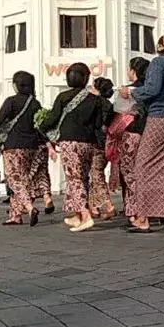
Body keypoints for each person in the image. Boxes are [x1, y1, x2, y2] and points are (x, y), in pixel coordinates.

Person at [120, 35, 164, 235]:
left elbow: (152, 89)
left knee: (144, 164)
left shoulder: (158, 64)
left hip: (159, 118)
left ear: (158, 48)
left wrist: (131, 92)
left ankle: (143, 217)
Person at [40, 64, 109, 232]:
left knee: (74, 178)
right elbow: (98, 124)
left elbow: (53, 119)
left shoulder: (63, 97)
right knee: (82, 178)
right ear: (86, 78)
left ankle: (85, 215)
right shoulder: (95, 99)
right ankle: (77, 216)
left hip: (70, 141)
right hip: (89, 143)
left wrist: (41, 127)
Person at [0, 71, 42, 226]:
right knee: (23, 180)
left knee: (13, 179)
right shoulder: (35, 103)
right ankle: (15, 215)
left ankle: (29, 208)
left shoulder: (11, 101)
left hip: (13, 146)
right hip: (31, 146)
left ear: (16, 85)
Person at [112, 57, 149, 222]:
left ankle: (134, 211)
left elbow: (116, 109)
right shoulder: (151, 90)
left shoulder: (128, 90)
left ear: (133, 71)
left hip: (132, 132)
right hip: (149, 132)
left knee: (129, 172)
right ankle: (149, 210)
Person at [88, 77, 116, 219]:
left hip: (97, 143)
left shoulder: (95, 103)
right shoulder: (110, 105)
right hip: (108, 143)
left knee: (96, 174)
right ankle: (94, 207)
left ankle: (109, 205)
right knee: (96, 174)